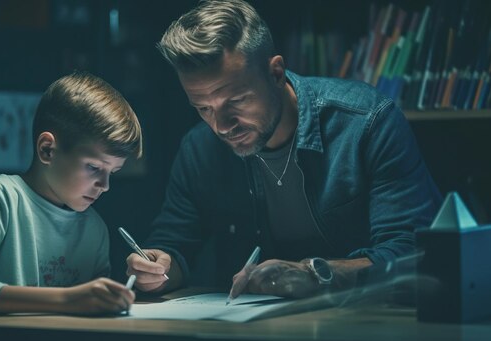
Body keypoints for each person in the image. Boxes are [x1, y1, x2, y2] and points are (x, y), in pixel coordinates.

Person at [126, 0, 441, 299]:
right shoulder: (199, 149)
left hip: (364, 325)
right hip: (248, 332)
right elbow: (175, 243)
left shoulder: (367, 123)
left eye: (236, 101)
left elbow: (412, 253)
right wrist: (157, 265)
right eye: (203, 108)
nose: (221, 126)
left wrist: (316, 274)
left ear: (276, 73)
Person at [0, 71, 142, 315]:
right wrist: (66, 300)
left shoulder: (94, 229)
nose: (105, 185)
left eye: (112, 172)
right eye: (94, 167)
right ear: (47, 150)